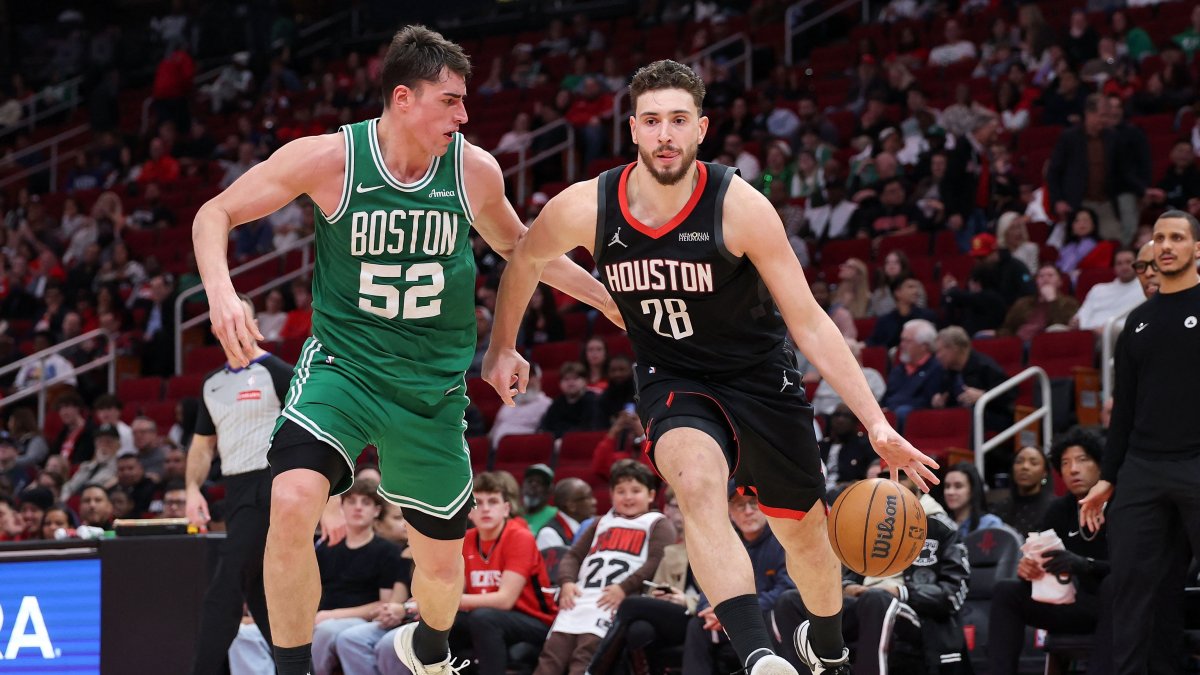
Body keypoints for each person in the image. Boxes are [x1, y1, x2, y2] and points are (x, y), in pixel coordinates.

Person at [483, 59, 939, 675]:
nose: (665, 134)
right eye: (652, 121)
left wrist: (875, 423)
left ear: (701, 128)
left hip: (758, 374)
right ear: (633, 130)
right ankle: (758, 655)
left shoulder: (740, 207)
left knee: (803, 532)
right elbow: (524, 255)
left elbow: (808, 320)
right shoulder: (587, 206)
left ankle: (827, 646)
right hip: (673, 377)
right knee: (696, 486)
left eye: (677, 120)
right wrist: (503, 345)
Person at [192, 25, 619, 675]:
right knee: (291, 499)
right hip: (344, 366)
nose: (465, 113)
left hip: (432, 385)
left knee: (442, 568)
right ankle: (292, 667)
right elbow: (212, 214)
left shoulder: (472, 169)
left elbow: (523, 248)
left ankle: (431, 647)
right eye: (450, 100)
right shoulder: (330, 159)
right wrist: (222, 293)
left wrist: (608, 302)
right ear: (403, 98)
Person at [1080, 210, 1200, 675]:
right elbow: (1124, 408)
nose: (1166, 245)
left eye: (1177, 237)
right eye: (1158, 238)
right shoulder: (1136, 322)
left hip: (1196, 462)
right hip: (1143, 469)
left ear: (1196, 249)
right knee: (1129, 588)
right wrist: (1107, 477)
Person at [184, 294, 300, 675]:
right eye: (225, 321)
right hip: (235, 490)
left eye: (241, 320)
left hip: (271, 485)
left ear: (254, 326)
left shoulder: (279, 372)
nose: (233, 327)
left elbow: (310, 435)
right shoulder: (212, 383)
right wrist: (192, 489)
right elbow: (202, 446)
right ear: (216, 329)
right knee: (259, 592)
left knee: (228, 581)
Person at [775, 474, 970, 675]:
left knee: (876, 600)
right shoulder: (867, 517)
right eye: (884, 476)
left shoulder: (942, 528)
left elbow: (953, 593)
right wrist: (847, 587)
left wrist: (899, 591)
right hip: (864, 601)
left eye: (901, 476)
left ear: (918, 483)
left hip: (914, 613)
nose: (892, 481)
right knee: (790, 600)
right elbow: (847, 572)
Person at [988, 427, 1111, 675]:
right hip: (1070, 601)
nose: (1073, 469)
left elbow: (1132, 568)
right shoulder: (1058, 510)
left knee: (1114, 588)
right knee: (1006, 590)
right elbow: (1040, 562)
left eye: (1082, 460)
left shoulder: (1121, 506)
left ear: (1100, 465)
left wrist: (1084, 564)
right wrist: (1028, 570)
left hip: (1112, 604)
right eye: (1065, 463)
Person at [533, 460, 675, 675]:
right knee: (551, 656)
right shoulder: (599, 522)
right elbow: (572, 556)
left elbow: (656, 561)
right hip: (580, 596)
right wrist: (567, 582)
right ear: (611, 495)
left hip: (616, 599)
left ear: (651, 495)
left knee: (585, 656)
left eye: (635, 490)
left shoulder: (657, 522)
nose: (628, 497)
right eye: (621, 491)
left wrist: (624, 588)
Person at [683, 487, 796, 673]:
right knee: (698, 624)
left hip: (765, 616)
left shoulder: (781, 540)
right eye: (740, 505)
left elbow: (785, 589)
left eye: (753, 503)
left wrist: (737, 613)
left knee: (775, 615)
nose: (748, 511)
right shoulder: (725, 543)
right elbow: (709, 583)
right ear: (730, 512)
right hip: (728, 620)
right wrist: (711, 610)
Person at [1069, 247, 1145, 334]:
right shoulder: (1098, 289)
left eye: (1128, 262)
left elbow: (1140, 321)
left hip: (1117, 334)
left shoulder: (1145, 288)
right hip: (1087, 333)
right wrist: (1076, 322)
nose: (1124, 267)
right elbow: (1082, 315)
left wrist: (1107, 329)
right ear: (1114, 267)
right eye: (1119, 263)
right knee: (1055, 329)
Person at [992, 446, 1055, 535]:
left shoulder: (1055, 508)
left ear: (1044, 473)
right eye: (1019, 462)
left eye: (1033, 463)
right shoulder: (998, 509)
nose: (1025, 467)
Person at [940, 462, 1003, 538]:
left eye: (958, 486)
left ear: (973, 490)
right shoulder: (940, 523)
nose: (950, 492)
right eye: (947, 486)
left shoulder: (990, 524)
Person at [536, 478, 596, 550]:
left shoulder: (591, 526)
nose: (594, 502)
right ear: (571, 506)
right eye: (588, 497)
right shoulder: (548, 534)